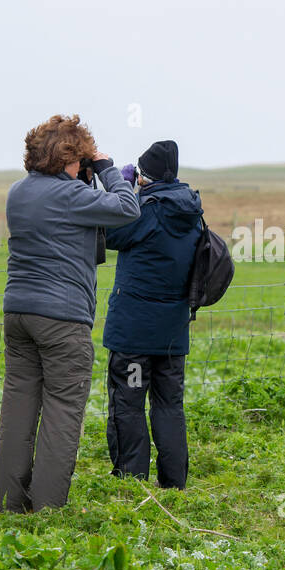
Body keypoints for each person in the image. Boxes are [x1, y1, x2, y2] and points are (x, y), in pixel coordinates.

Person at [0, 115, 140, 510]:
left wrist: (83, 175)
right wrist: (109, 171)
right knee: (62, 409)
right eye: (80, 159)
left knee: (18, 409)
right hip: (62, 318)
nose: (83, 167)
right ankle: (46, 508)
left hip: (18, 312)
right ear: (67, 159)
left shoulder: (18, 192)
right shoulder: (71, 196)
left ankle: (11, 502)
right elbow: (127, 208)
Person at [103, 140, 203, 489]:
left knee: (129, 401)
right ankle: (174, 482)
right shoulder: (191, 212)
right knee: (169, 404)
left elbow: (108, 234)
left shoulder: (146, 211)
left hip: (134, 335)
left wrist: (125, 190)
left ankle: (132, 480)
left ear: (144, 176)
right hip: (173, 333)